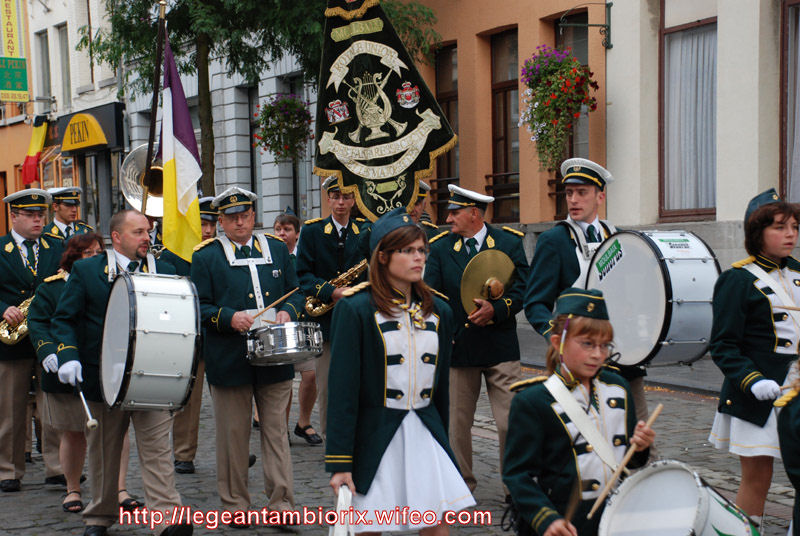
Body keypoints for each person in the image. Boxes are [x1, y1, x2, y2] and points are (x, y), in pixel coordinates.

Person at [327, 207, 475, 534]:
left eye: (422, 250)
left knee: (435, 522)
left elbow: (442, 391)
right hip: (374, 434)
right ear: (382, 256)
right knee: (369, 526)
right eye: (407, 250)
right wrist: (340, 462)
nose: (418, 258)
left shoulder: (440, 311)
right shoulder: (355, 309)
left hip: (424, 431)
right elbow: (342, 390)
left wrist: (442, 439)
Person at [51, 209, 190, 536]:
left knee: (157, 451)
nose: (146, 238)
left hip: (151, 375)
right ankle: (99, 516)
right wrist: (69, 356)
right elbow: (64, 319)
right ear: (117, 237)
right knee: (103, 451)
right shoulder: (87, 270)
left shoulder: (165, 270)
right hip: (105, 378)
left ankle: (167, 518)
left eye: (148, 231)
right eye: (138, 232)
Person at [192, 187, 303, 527]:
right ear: (221, 221)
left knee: (275, 433)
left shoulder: (276, 248)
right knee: (233, 436)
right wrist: (227, 317)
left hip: (275, 355)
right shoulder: (206, 256)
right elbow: (200, 307)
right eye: (231, 217)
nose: (239, 222)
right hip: (230, 356)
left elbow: (295, 292)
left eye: (245, 215)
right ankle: (235, 504)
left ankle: (281, 504)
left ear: (254, 216)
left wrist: (288, 312)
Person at [503, 288, 655, 536]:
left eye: (604, 346)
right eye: (587, 344)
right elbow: (518, 475)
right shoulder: (533, 401)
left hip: (613, 517)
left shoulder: (618, 388)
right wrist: (547, 519)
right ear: (558, 343)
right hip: (563, 520)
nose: (597, 354)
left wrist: (640, 446)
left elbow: (628, 461)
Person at [524, 158, 650, 427]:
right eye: (569, 193)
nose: (573, 200)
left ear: (600, 196)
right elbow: (535, 304)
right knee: (581, 438)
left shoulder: (618, 238)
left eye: (582, 193)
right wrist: (558, 339)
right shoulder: (554, 240)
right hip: (577, 359)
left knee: (638, 438)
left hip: (623, 358)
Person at [424, 184, 529, 494]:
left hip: (500, 347)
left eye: (454, 212)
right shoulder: (441, 248)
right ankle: (461, 487)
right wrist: (447, 332)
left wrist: (496, 310)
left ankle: (516, 488)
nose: (448, 217)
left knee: (511, 423)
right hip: (459, 347)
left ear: (474, 214)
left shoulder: (509, 243)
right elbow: (431, 295)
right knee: (457, 426)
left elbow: (523, 290)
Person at [28, 233, 143, 514]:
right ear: (73, 258)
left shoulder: (111, 282)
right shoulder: (52, 287)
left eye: (97, 252)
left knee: (118, 431)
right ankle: (73, 488)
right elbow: (39, 321)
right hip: (66, 369)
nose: (95, 258)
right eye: (87, 254)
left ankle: (119, 488)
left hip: (100, 366)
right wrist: (49, 352)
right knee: (74, 432)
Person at [708, 188, 800, 524]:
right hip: (759, 391)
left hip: (798, 390)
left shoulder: (799, 273)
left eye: (793, 227)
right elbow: (723, 345)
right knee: (758, 474)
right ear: (756, 233)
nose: (789, 234)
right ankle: (748, 532)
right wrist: (754, 380)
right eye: (779, 227)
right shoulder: (737, 280)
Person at [0, 189, 64, 493]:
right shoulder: (0, 249)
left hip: (48, 335)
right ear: (14, 216)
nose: (39, 219)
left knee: (51, 404)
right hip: (11, 340)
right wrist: (3, 308)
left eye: (41, 214)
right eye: (31, 215)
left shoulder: (57, 247)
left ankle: (57, 467)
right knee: (10, 409)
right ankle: (9, 470)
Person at [296, 176, 367, 438]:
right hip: (324, 320)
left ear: (353, 200)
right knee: (326, 383)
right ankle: (331, 437)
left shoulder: (365, 231)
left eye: (346, 197)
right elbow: (302, 275)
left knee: (356, 381)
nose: (340, 202)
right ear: (328, 199)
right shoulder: (313, 231)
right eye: (335, 197)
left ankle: (357, 434)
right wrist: (331, 292)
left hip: (356, 317)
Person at [162, 196, 218, 474]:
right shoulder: (173, 254)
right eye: (202, 224)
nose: (207, 230)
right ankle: (184, 453)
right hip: (189, 335)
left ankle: (235, 452)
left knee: (231, 398)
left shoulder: (221, 250)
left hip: (219, 333)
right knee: (188, 398)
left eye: (212, 224)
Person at [274, 209, 322, 445]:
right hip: (282, 323)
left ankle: (303, 422)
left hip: (306, 320)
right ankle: (280, 426)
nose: (282, 234)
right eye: (278, 229)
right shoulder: (271, 255)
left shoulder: (303, 254)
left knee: (311, 374)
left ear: (297, 233)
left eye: (287, 229)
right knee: (284, 377)